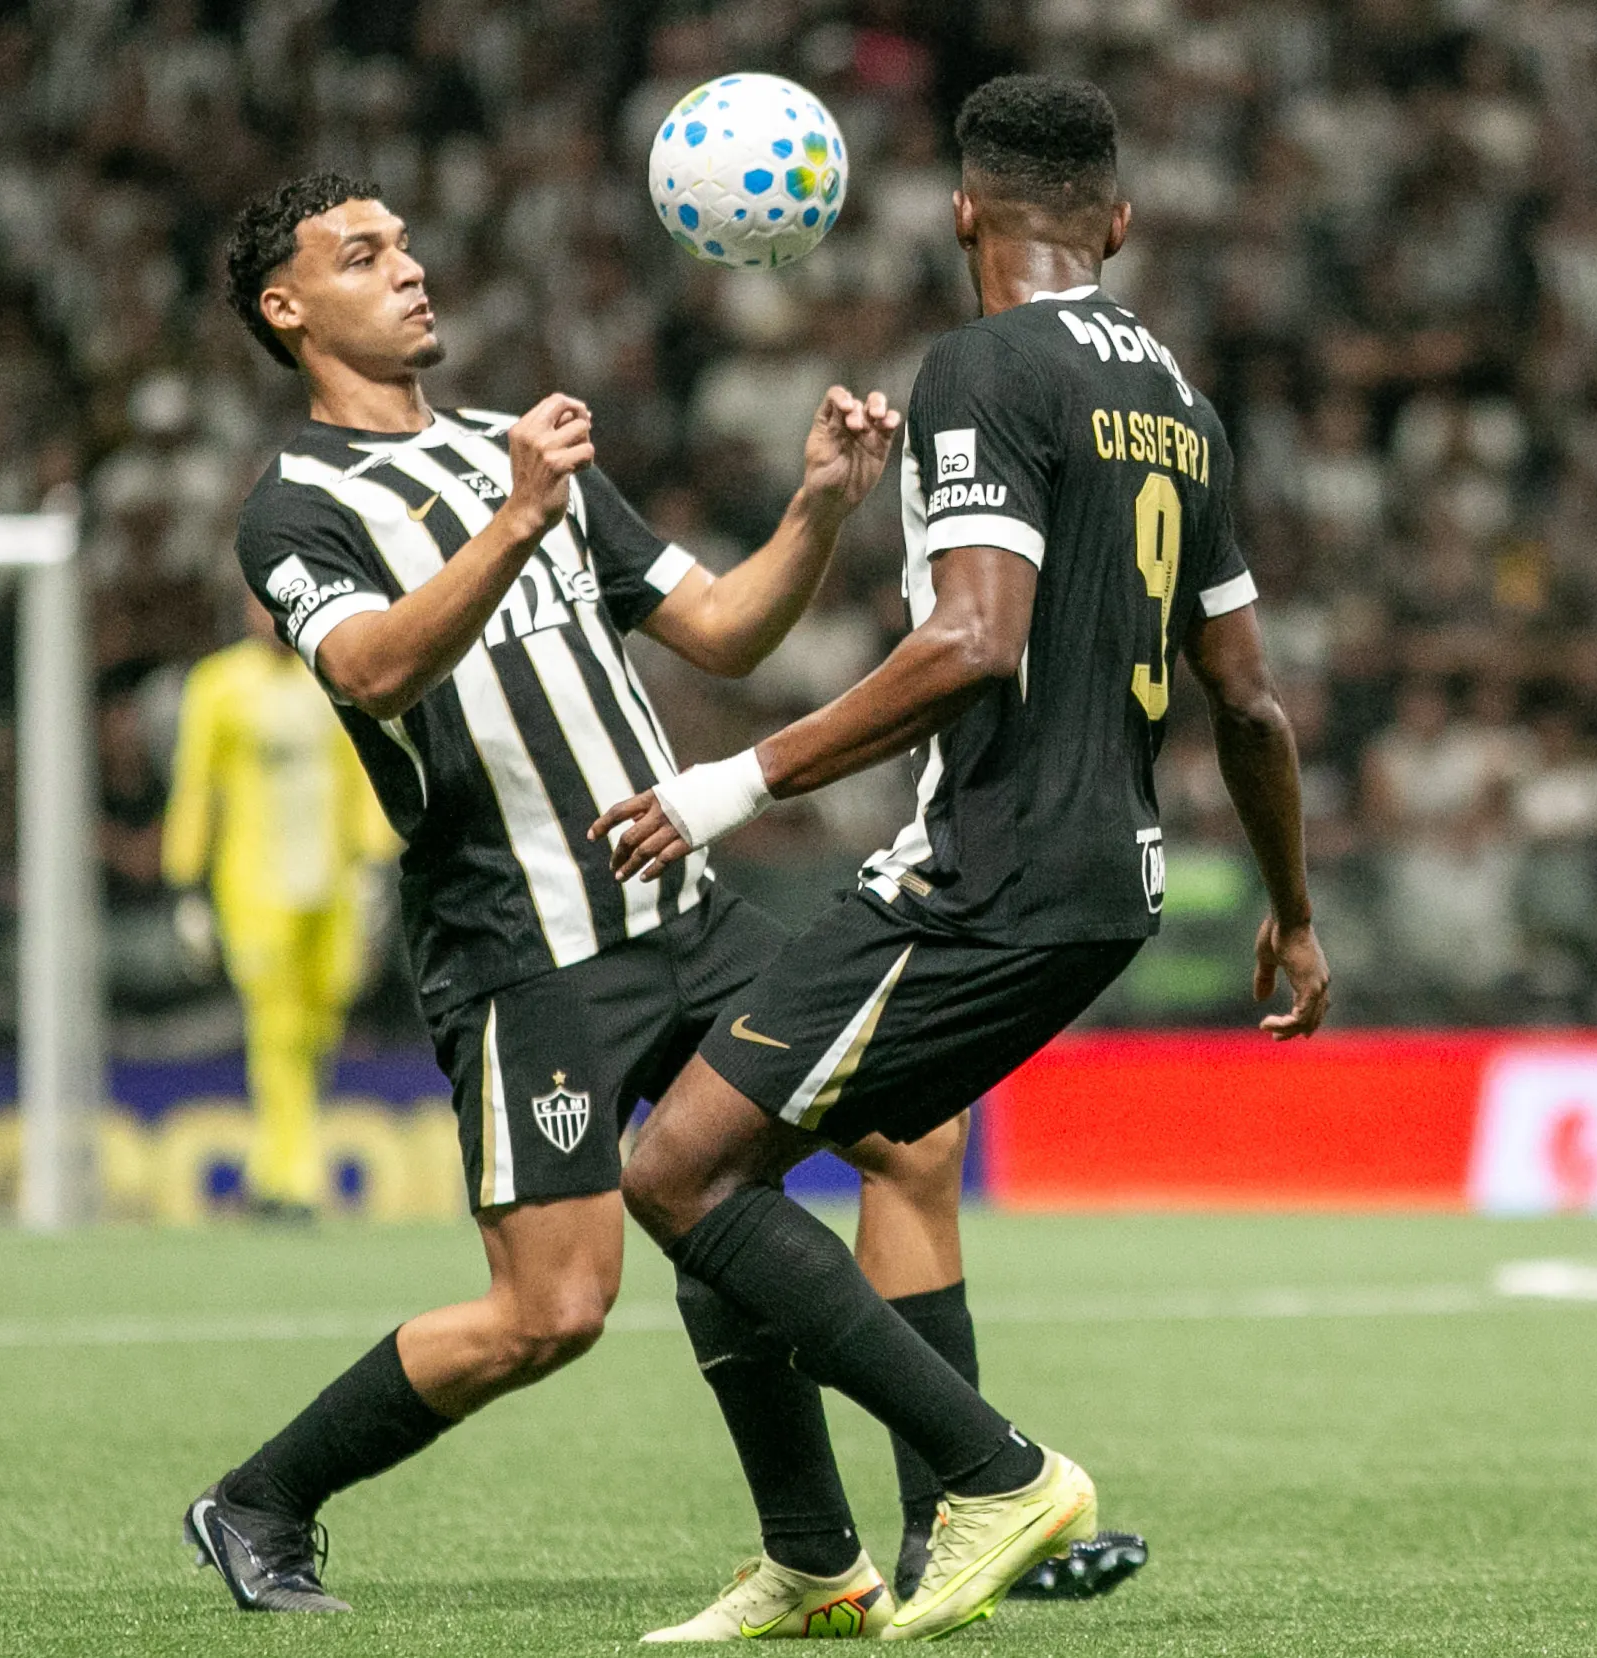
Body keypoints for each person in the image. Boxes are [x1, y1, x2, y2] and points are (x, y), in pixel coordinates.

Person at [187, 171, 1087, 1624]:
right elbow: (372, 671)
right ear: (286, 309)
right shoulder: (295, 510)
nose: (409, 268)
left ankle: (936, 1526)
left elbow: (722, 630)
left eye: (406, 243)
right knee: (551, 1310)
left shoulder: (509, 443)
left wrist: (815, 509)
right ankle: (258, 1498)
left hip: (680, 910)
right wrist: (516, 518)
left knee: (910, 1137)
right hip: (521, 952)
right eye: (363, 255)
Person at [594, 74, 1331, 1640]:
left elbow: (974, 640)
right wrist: (1294, 911)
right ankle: (839, 1551)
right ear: (1117, 222)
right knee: (748, 1166)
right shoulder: (1182, 408)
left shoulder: (981, 366)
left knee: (673, 1169)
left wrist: (734, 781)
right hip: (1105, 884)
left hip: (985, 875)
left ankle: (996, 1475)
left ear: (958, 212)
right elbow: (1251, 700)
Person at [163, 589, 400, 1218]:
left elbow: (363, 772)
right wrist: (186, 884)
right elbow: (196, 788)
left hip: (334, 882)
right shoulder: (217, 685)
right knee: (275, 1026)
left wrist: (373, 862)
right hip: (254, 888)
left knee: (321, 1025)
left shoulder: (335, 675)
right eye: (253, 604)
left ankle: (283, 1162)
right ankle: (290, 1178)